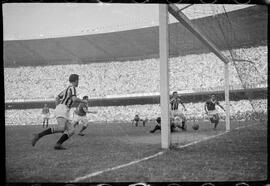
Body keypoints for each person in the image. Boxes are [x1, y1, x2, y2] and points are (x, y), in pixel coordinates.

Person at [31, 74, 88, 150]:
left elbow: (57, 98)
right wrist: (83, 101)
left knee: (71, 130)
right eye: (78, 80)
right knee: (61, 128)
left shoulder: (66, 89)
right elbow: (74, 99)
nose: (78, 82)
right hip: (63, 108)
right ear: (76, 80)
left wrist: (57, 107)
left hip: (63, 109)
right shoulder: (72, 88)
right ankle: (38, 135)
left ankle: (58, 144)